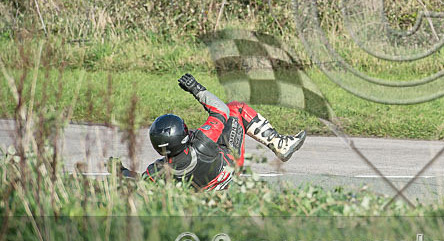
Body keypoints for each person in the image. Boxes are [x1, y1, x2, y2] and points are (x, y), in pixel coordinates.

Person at [110, 74, 306, 190]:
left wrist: (120, 171)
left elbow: (139, 182)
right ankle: (281, 145)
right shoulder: (202, 142)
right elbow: (221, 110)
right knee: (236, 107)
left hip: (204, 187)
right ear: (183, 136)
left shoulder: (158, 170)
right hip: (226, 170)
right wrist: (196, 89)